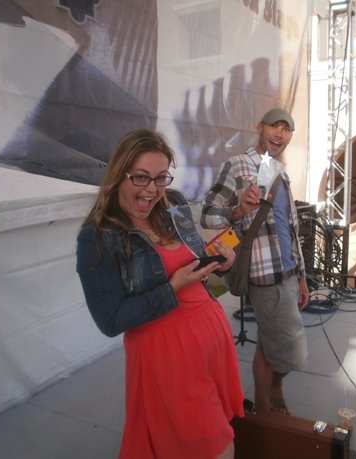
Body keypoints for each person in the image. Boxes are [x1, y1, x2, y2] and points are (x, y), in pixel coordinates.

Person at [76, 129, 244, 459]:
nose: (152, 190)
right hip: (168, 356)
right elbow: (110, 320)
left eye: (160, 178)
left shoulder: (174, 204)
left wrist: (220, 265)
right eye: (140, 177)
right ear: (117, 175)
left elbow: (193, 265)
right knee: (217, 448)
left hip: (210, 341)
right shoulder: (97, 238)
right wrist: (172, 288)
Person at [201, 108, 309, 415]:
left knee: (268, 343)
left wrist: (301, 276)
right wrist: (238, 209)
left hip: (288, 271)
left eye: (286, 130)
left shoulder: (281, 173)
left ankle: (265, 409)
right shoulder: (236, 164)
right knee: (292, 352)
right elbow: (208, 213)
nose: (280, 134)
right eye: (274, 127)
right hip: (265, 273)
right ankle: (273, 394)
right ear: (259, 127)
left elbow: (292, 228)